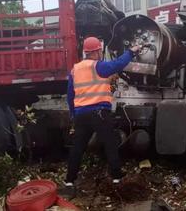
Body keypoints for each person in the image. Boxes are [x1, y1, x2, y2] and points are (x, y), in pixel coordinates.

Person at [60, 36, 141, 199]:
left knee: (78, 148)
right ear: (97, 51)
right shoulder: (99, 66)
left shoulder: (75, 70)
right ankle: (117, 177)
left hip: (81, 114)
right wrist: (131, 52)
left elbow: (70, 96)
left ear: (85, 52)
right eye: (99, 51)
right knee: (110, 144)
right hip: (99, 114)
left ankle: (69, 181)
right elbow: (117, 65)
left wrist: (73, 115)